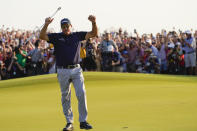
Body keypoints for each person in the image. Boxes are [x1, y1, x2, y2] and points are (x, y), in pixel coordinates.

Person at [39, 15, 98, 131]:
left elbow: (93, 33)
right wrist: (46, 24)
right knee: (65, 96)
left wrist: (94, 22)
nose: (65, 28)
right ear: (61, 28)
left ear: (71, 26)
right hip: (62, 70)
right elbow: (41, 36)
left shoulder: (77, 35)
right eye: (63, 26)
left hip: (76, 69)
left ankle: (83, 121)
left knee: (81, 93)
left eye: (67, 26)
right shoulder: (56, 37)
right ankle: (69, 122)